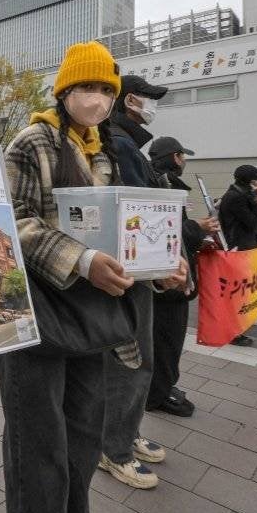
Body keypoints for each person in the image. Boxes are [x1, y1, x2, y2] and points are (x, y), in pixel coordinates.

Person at [1, 42, 183, 513]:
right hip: (39, 319)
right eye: (86, 87)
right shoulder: (32, 142)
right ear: (64, 91)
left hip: (94, 322)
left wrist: (162, 262)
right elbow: (9, 224)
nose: (97, 99)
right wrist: (80, 260)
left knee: (81, 445)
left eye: (106, 89)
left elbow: (126, 232)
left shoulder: (106, 152)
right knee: (38, 452)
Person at [97, 75, 179, 489]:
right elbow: (142, 206)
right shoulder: (122, 143)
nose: (152, 105)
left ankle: (124, 433)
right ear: (131, 100)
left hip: (136, 266)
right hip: (134, 268)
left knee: (135, 359)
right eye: (149, 98)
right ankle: (115, 448)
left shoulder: (126, 142)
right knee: (133, 360)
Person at [145, 137, 219, 418]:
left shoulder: (160, 180)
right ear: (176, 157)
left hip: (169, 276)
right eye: (182, 156)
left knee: (167, 340)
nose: (185, 161)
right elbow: (165, 230)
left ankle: (163, 387)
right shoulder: (163, 183)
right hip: (168, 280)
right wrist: (197, 228)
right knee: (166, 341)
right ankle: (158, 394)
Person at [218, 165, 257, 345]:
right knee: (237, 294)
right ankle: (233, 331)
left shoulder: (239, 194)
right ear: (251, 180)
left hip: (244, 246)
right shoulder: (236, 197)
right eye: (256, 180)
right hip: (239, 248)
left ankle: (239, 326)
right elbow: (251, 222)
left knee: (243, 292)